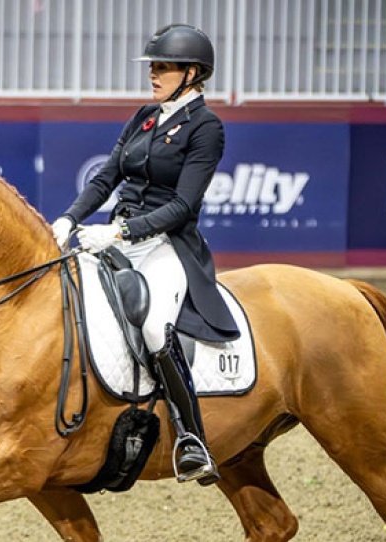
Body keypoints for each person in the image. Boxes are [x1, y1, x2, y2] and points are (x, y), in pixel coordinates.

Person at [51, 23, 239, 485]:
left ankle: (190, 437)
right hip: (116, 238)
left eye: (163, 67)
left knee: (155, 326)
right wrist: (69, 219)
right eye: (152, 66)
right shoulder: (145, 116)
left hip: (166, 245)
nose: (153, 74)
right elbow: (106, 176)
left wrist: (118, 232)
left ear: (192, 73)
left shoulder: (206, 128)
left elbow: (182, 206)